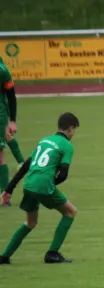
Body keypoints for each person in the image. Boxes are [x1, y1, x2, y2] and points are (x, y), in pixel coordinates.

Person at [0, 112, 80, 264]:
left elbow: (25, 166)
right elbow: (63, 175)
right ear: (70, 129)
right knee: (70, 212)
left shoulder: (44, 140)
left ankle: (4, 256)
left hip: (29, 184)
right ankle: (52, 253)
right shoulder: (67, 146)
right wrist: (49, 185)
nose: (73, 134)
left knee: (30, 223)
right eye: (74, 130)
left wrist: (9, 189)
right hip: (43, 185)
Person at [0, 61, 25, 206]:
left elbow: (11, 95)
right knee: (6, 137)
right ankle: (23, 162)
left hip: (0, 114)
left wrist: (12, 120)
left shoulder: (2, 70)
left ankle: (4, 195)